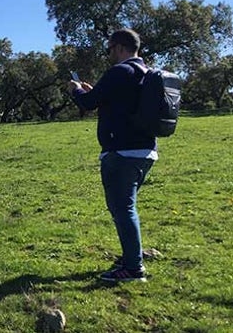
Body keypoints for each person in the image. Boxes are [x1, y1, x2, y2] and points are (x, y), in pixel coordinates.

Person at [68, 28, 157, 282]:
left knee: (122, 208)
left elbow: (87, 103)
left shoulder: (119, 71)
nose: (108, 54)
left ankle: (133, 268)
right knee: (125, 207)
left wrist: (76, 89)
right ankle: (132, 256)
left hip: (122, 152)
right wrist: (94, 90)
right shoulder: (144, 73)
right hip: (144, 151)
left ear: (119, 47)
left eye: (109, 49)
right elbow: (116, 102)